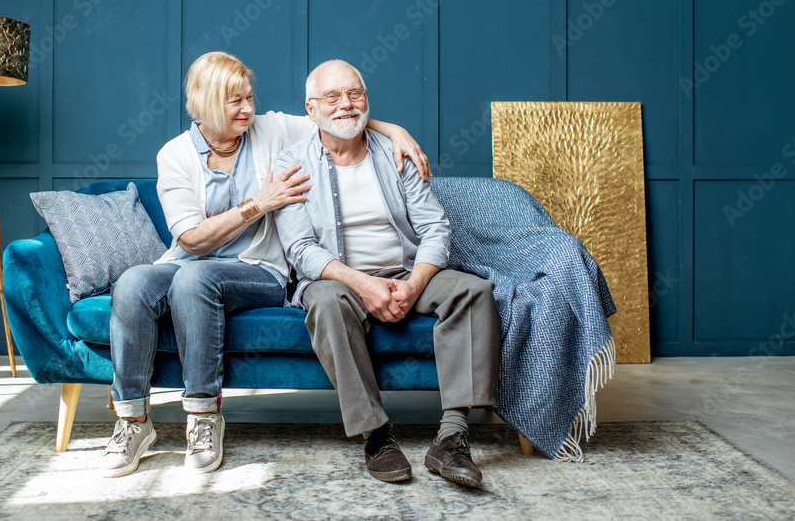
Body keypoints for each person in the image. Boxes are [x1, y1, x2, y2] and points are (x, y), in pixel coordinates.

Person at [101, 51, 430, 477]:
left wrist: (395, 130)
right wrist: (260, 203)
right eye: (234, 101)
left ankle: (203, 416)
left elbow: (335, 116)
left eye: (250, 97)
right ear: (204, 103)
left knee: (195, 281)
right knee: (131, 284)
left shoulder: (269, 128)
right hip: (190, 261)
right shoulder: (175, 155)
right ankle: (132, 422)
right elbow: (191, 239)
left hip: (259, 270)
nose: (247, 109)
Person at [273, 59, 500, 488]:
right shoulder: (292, 164)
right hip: (339, 280)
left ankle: (451, 438)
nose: (345, 105)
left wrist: (413, 285)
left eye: (354, 93)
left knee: (474, 291)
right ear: (311, 108)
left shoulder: (396, 152)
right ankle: (376, 436)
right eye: (332, 97)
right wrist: (362, 283)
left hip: (406, 270)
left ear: (367, 100)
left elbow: (435, 227)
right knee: (324, 301)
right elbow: (301, 250)